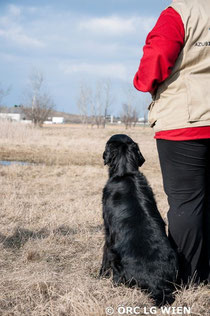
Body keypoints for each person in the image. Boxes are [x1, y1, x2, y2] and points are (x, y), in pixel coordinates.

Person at [133, 0, 210, 285]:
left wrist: (143, 81)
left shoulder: (178, 13)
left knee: (186, 204)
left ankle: (186, 278)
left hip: (186, 121)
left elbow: (156, 59)